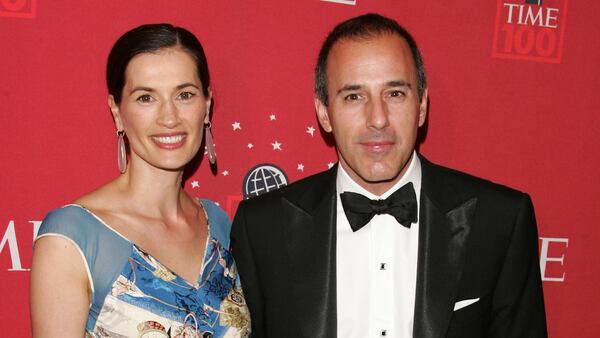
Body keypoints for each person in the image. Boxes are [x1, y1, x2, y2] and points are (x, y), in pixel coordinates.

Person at [231, 13, 547, 338]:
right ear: (324, 113)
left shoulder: (499, 221)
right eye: (354, 96)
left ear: (422, 105)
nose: (378, 119)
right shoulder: (263, 228)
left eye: (395, 93)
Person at [30, 24, 250, 337]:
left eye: (184, 95)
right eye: (146, 98)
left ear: (207, 105)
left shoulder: (219, 223)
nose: (170, 117)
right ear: (117, 111)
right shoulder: (72, 237)